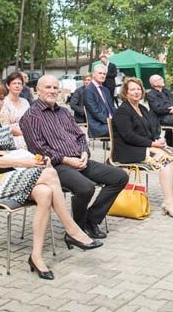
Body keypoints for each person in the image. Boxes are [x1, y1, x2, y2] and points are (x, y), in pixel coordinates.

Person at [0, 80, 101, 279]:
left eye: (1, 98)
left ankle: (36, 256)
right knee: (50, 173)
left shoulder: (1, 122)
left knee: (45, 192)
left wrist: (30, 158)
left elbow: (9, 151)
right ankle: (72, 229)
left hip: (9, 174)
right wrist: (28, 163)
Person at [20, 75, 128, 240]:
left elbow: (79, 136)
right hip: (55, 167)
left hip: (79, 160)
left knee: (119, 177)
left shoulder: (63, 111)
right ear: (38, 90)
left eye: (55, 88)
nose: (52, 91)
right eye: (48, 87)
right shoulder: (31, 116)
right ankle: (76, 231)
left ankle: (90, 221)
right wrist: (66, 160)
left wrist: (84, 153)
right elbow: (38, 149)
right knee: (86, 188)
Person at [112, 78, 173, 217]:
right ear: (126, 93)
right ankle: (169, 203)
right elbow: (128, 136)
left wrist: (158, 140)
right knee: (165, 161)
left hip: (143, 146)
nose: (136, 92)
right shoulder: (122, 111)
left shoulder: (143, 108)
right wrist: (152, 145)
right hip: (127, 150)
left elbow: (150, 131)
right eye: (132, 89)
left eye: (138, 89)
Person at [146, 74, 173, 148]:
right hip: (162, 117)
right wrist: (171, 109)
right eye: (160, 79)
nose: (162, 79)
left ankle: (172, 141)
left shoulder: (166, 91)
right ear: (154, 83)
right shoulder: (150, 94)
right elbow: (158, 109)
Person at [0, 71, 31, 149]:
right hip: (13, 137)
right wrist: (26, 135)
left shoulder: (25, 102)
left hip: (28, 133)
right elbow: (6, 127)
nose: (17, 86)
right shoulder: (4, 102)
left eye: (19, 84)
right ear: (8, 86)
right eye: (14, 83)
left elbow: (31, 121)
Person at [82, 65, 114, 139]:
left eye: (104, 74)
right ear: (93, 74)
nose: (102, 76)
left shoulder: (106, 90)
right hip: (98, 125)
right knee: (123, 129)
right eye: (100, 73)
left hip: (109, 122)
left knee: (128, 125)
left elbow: (112, 108)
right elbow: (95, 112)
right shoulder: (88, 91)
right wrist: (111, 122)